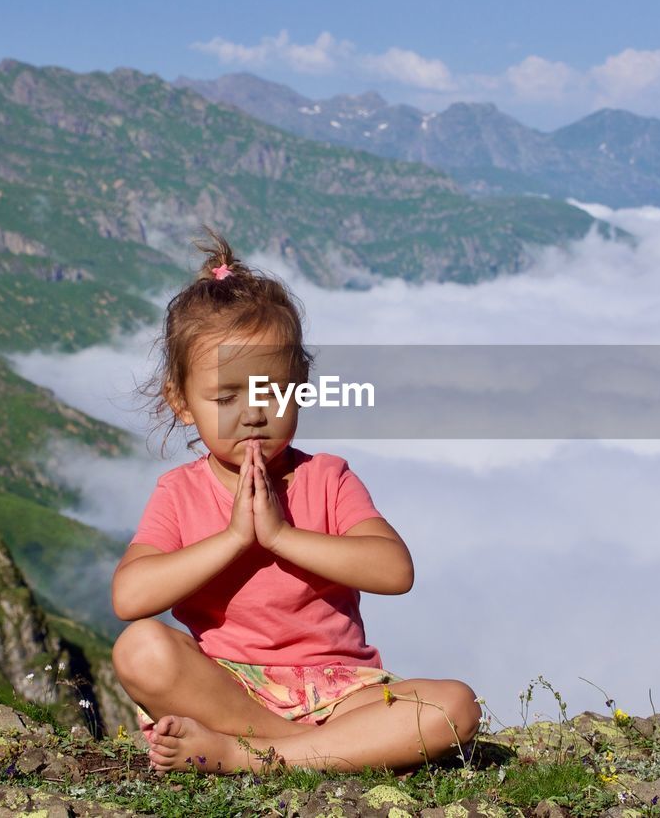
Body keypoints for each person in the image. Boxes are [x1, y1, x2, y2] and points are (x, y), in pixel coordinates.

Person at [111, 228, 482, 775]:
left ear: (301, 385)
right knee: (138, 649)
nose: (253, 413)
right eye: (225, 397)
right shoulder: (180, 492)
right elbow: (130, 597)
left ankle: (253, 758)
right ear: (181, 402)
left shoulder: (325, 478)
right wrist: (236, 538)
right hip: (230, 687)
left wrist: (281, 536)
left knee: (456, 708)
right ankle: (325, 751)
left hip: (339, 690)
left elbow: (394, 570)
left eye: (272, 391)